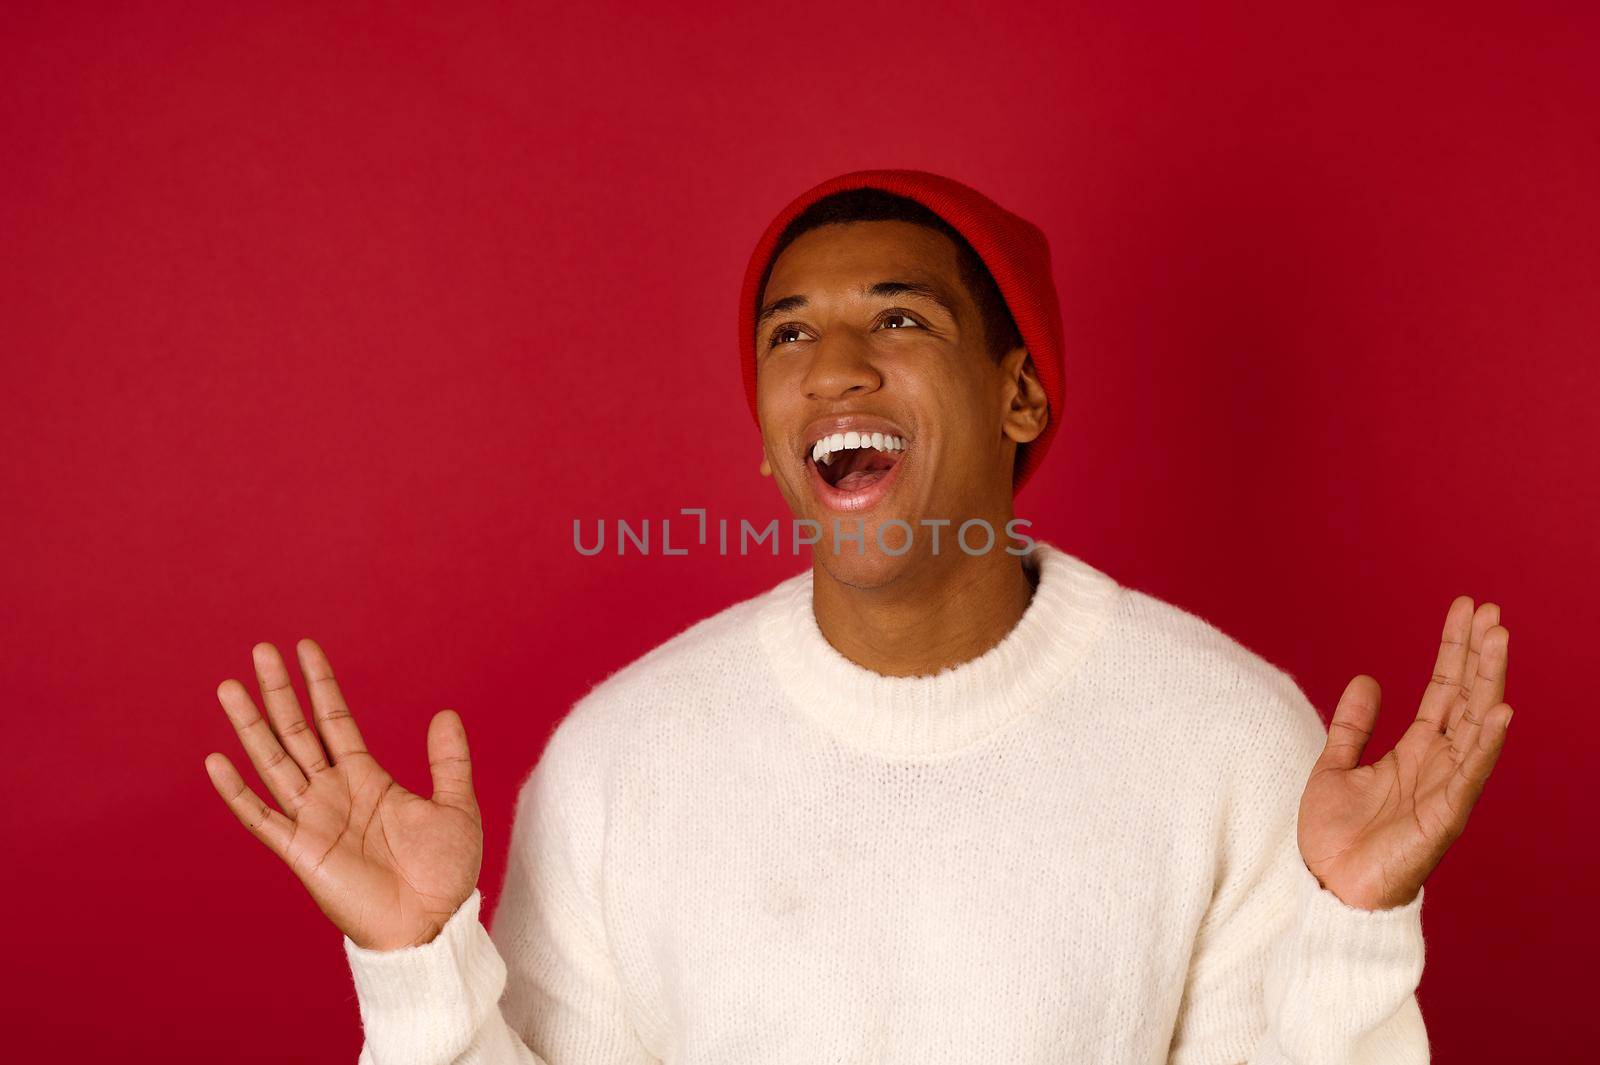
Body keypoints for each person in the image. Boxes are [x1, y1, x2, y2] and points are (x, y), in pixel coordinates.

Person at [204, 169, 1515, 1064]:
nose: (833, 367)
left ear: (1019, 398)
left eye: (898, 316)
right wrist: (416, 964)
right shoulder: (616, 760)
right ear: (772, 447)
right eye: (789, 336)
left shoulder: (1232, 739)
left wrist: (1352, 933)